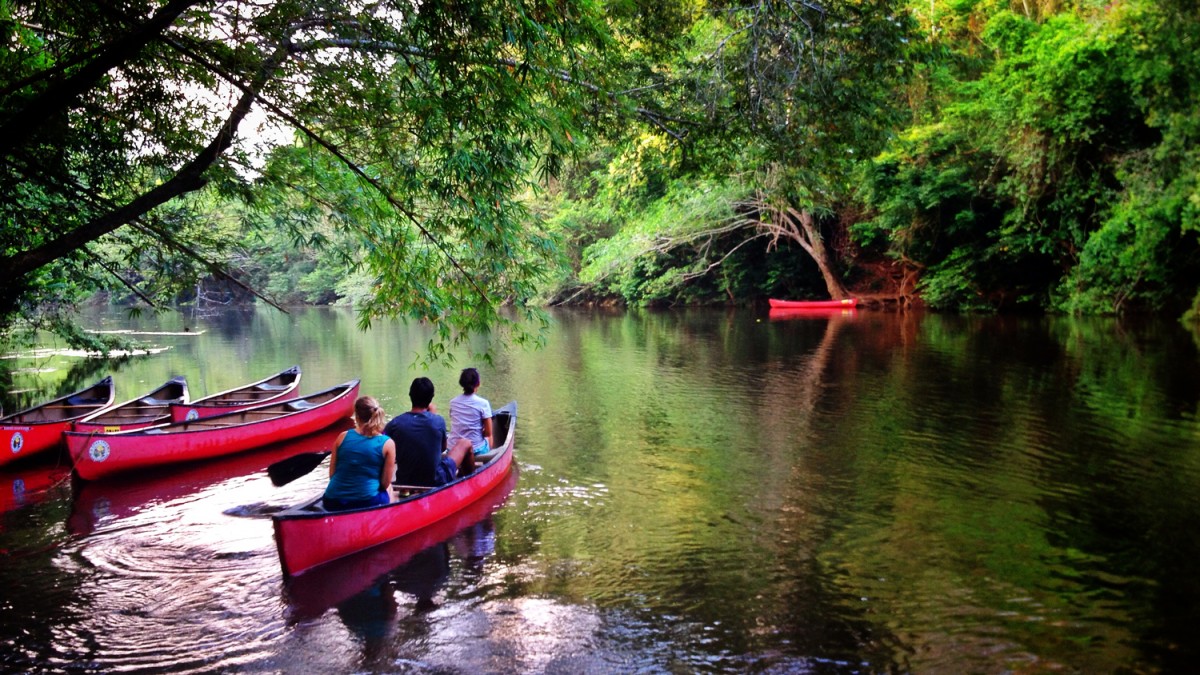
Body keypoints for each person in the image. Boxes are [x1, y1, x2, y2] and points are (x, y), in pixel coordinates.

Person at [386, 377, 474, 487]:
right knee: (465, 443)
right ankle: (470, 484)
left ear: (410, 395)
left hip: (404, 480)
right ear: (431, 398)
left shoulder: (395, 423)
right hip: (437, 479)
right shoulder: (438, 421)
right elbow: (442, 448)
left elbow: (382, 446)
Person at [323, 396, 396, 511]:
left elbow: (332, 475)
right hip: (367, 502)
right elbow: (384, 484)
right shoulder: (387, 444)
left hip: (332, 501)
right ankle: (389, 517)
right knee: (389, 488)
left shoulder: (342, 437)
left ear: (356, 416)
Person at [448, 367, 496, 461]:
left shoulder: (453, 402)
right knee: (490, 436)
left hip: (453, 448)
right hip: (476, 450)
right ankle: (488, 459)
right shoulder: (483, 403)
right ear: (478, 383)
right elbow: (488, 433)